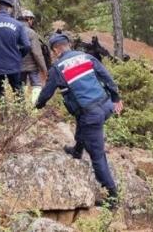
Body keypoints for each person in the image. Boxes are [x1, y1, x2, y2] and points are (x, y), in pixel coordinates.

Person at [35, 33, 123, 208]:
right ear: (68, 45)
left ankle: (113, 196)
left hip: (91, 114)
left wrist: (38, 104)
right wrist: (116, 98)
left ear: (55, 50)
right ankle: (77, 150)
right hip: (105, 106)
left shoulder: (58, 68)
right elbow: (106, 77)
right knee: (82, 122)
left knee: (97, 156)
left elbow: (47, 91)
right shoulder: (86, 57)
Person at [17, 10, 47, 105]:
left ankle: (21, 106)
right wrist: (44, 68)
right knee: (37, 84)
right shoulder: (31, 32)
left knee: (21, 84)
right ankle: (34, 107)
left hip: (17, 64)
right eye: (32, 19)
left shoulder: (13, 30)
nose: (32, 21)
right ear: (28, 19)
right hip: (32, 65)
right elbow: (37, 53)